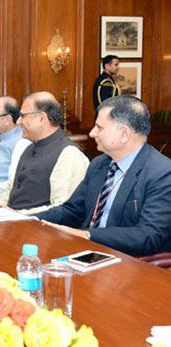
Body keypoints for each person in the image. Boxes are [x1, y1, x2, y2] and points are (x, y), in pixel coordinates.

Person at [37, 95, 171, 256]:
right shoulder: (99, 164)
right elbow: (72, 210)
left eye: (99, 127)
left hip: (129, 261)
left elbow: (148, 235)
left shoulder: (162, 173)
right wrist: (30, 219)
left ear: (124, 133)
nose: (92, 133)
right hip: (85, 251)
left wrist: (87, 235)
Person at [0, 91, 89, 215]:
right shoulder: (28, 147)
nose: (18, 122)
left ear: (42, 118)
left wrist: (18, 215)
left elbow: (63, 209)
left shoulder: (69, 154)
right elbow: (10, 189)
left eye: (23, 116)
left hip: (38, 228)